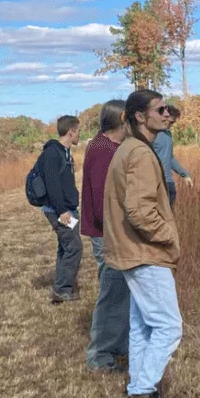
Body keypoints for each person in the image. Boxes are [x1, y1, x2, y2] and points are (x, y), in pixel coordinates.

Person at [104, 89, 183, 398]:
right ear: (139, 116)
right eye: (161, 109)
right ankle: (140, 395)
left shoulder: (130, 149)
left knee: (142, 327)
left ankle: (140, 389)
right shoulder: (138, 153)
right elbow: (138, 210)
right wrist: (168, 235)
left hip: (132, 249)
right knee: (169, 326)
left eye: (169, 110)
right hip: (144, 251)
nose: (168, 114)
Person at [80, 99, 130, 374]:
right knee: (112, 291)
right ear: (121, 121)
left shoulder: (106, 145)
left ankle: (117, 344)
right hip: (105, 232)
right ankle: (100, 356)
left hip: (110, 230)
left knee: (120, 289)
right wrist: (115, 229)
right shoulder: (102, 150)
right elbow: (102, 199)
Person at [39, 115, 83, 304]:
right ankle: (62, 290)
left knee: (65, 247)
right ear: (71, 131)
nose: (79, 135)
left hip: (68, 208)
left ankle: (64, 286)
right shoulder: (52, 153)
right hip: (59, 211)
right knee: (75, 247)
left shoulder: (66, 153)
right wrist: (62, 211)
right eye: (78, 131)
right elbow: (52, 185)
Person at [152, 104, 193, 207]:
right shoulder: (151, 134)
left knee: (169, 218)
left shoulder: (168, 133)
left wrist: (185, 174)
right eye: (170, 122)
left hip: (168, 182)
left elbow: (169, 157)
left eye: (173, 122)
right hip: (154, 184)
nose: (171, 124)